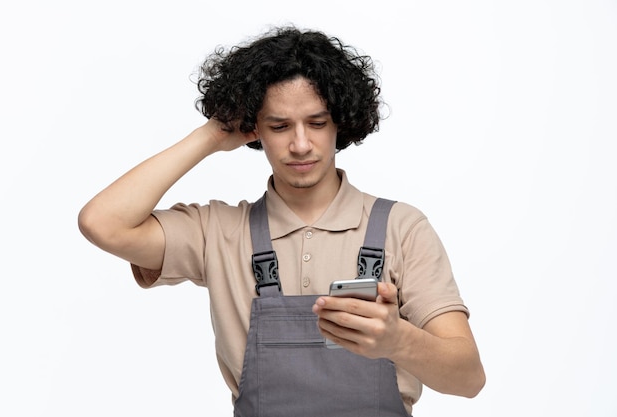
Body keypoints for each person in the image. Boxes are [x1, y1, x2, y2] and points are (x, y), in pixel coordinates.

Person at [78, 26, 485, 416]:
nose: (301, 144)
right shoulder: (218, 232)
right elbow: (102, 223)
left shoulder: (402, 227)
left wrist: (400, 340)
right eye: (279, 126)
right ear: (253, 130)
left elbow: (469, 378)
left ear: (340, 122)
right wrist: (211, 137)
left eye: (317, 123)